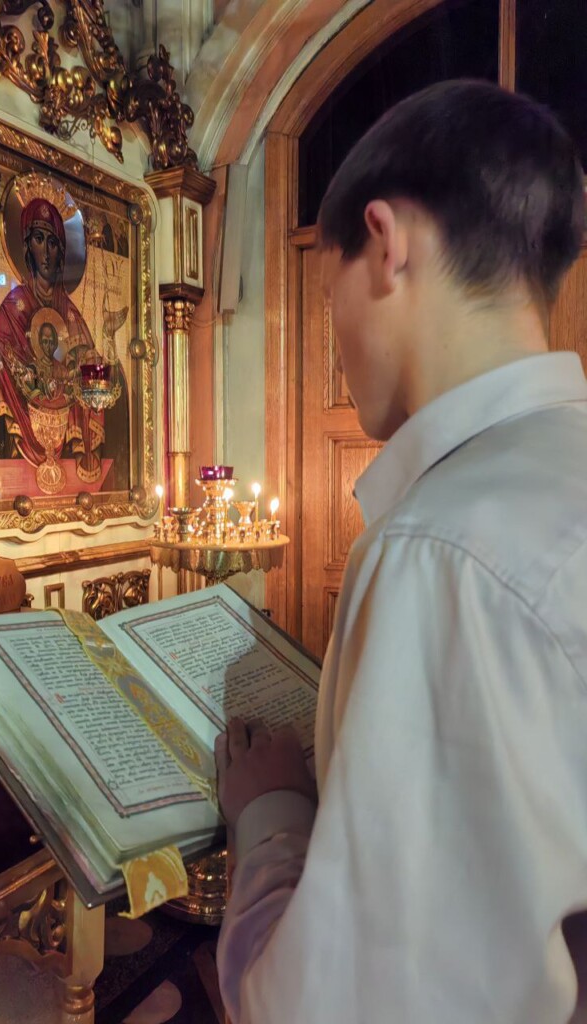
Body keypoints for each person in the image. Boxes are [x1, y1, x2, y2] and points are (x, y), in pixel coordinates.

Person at [215, 79, 587, 1024]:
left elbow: (342, 1004)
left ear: (385, 244)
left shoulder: (444, 548)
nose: (334, 335)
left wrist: (273, 815)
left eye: (325, 289)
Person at [0, 196, 104, 486]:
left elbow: (94, 388)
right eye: (39, 240)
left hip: (66, 448)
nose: (46, 252)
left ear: (61, 251)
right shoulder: (12, 307)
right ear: (27, 246)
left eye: (53, 243)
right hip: (15, 446)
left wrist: (95, 366)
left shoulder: (72, 316)